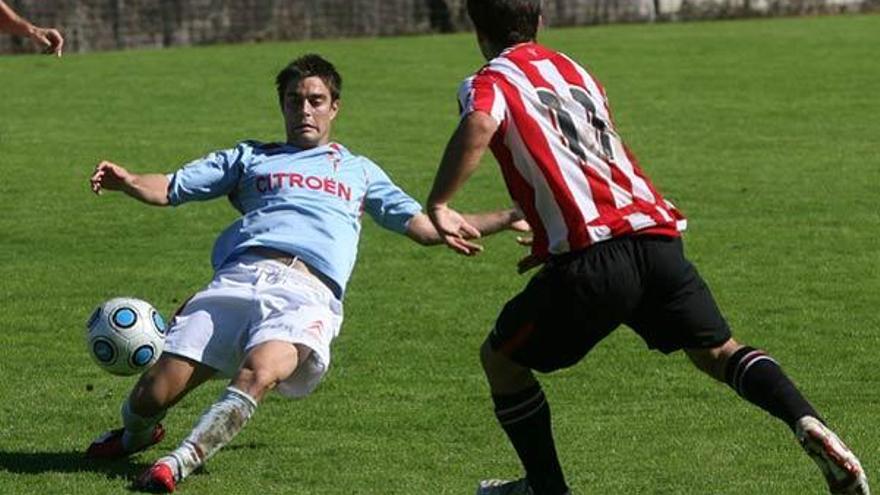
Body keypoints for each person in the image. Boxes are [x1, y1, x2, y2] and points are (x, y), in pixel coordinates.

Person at [425, 1, 870, 494]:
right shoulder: (576, 71)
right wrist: (550, 216)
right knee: (718, 352)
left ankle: (546, 488)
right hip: (656, 237)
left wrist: (441, 201)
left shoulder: (487, 80)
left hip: (594, 262)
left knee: (502, 360)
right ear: (540, 23)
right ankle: (806, 421)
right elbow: (587, 155)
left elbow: (482, 124)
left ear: (476, 29)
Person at [86, 53, 524, 493]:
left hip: (307, 293)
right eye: (295, 101)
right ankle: (136, 436)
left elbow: (428, 228)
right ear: (282, 106)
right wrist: (129, 181)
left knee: (262, 371)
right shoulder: (250, 157)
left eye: (316, 100)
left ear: (335, 107)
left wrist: (506, 217)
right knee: (150, 397)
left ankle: (176, 464)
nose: (305, 110)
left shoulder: (360, 171)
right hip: (238, 279)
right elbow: (172, 186)